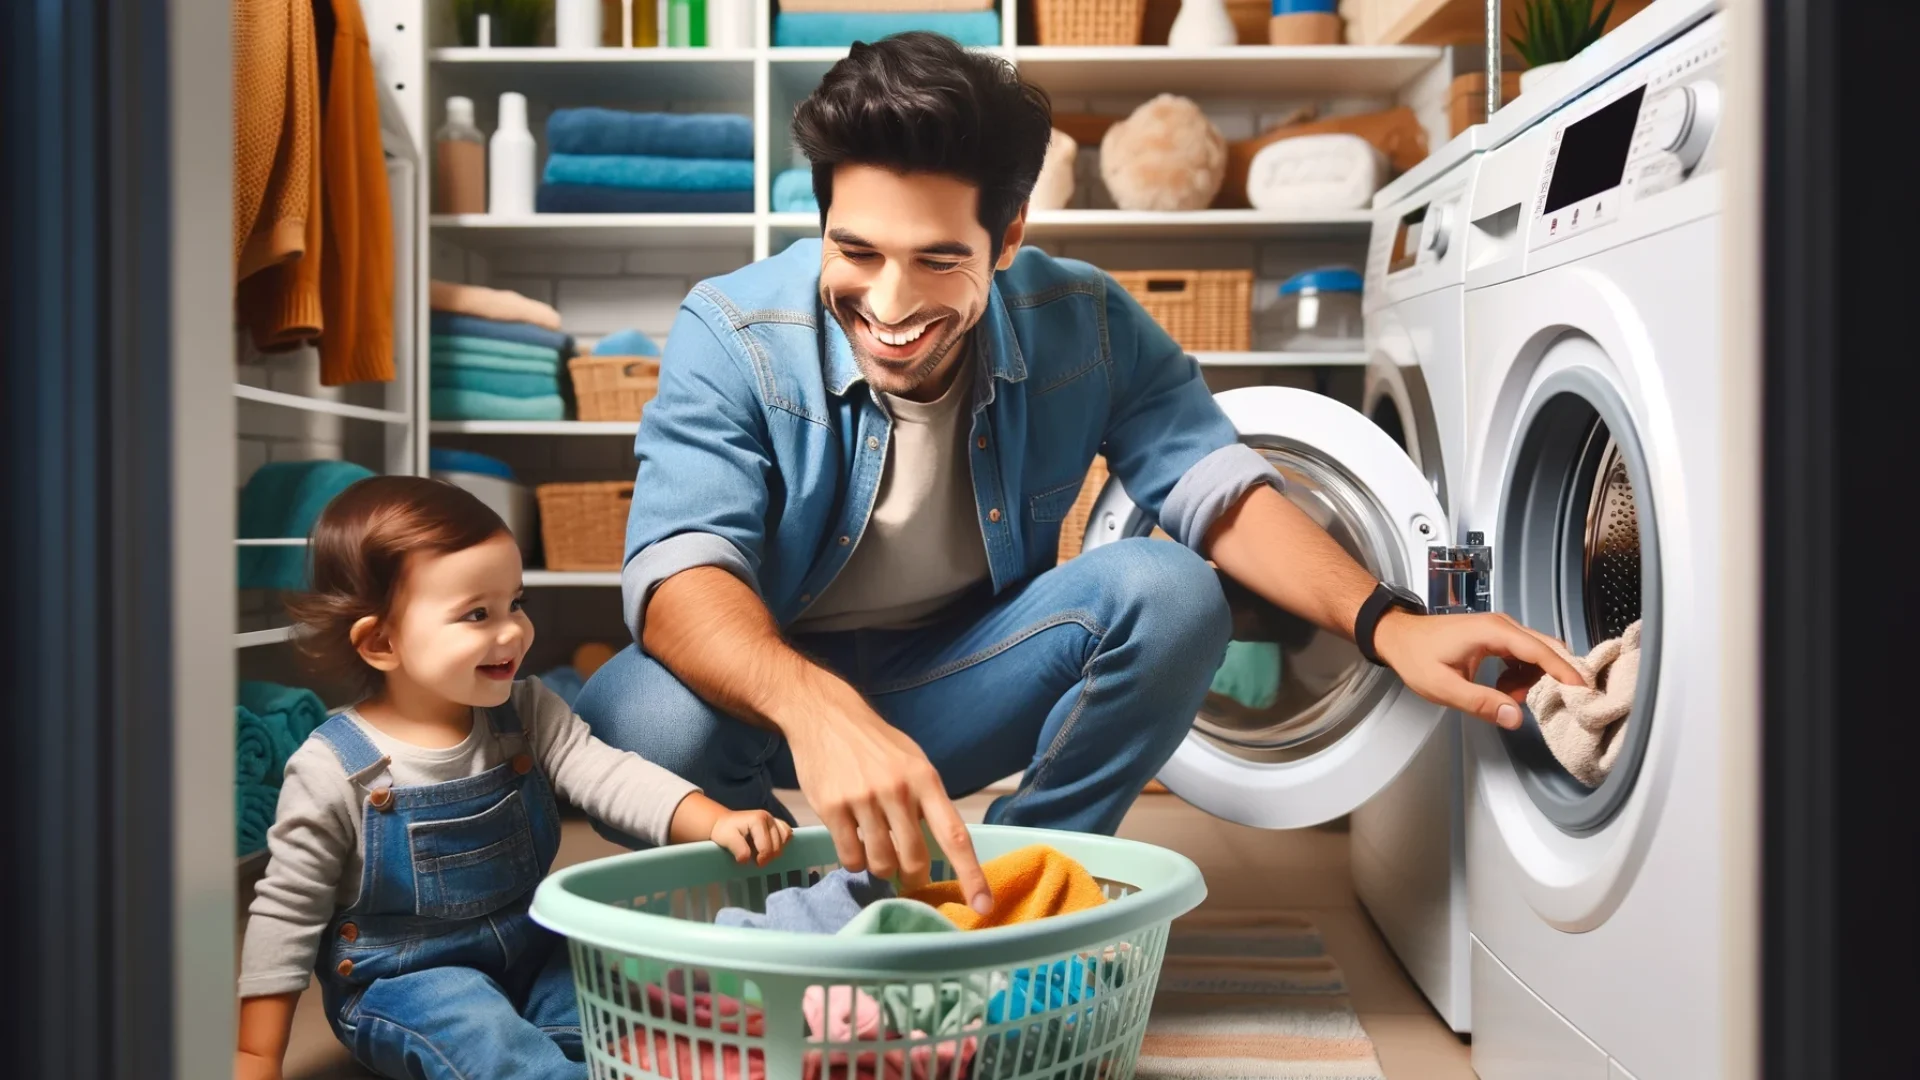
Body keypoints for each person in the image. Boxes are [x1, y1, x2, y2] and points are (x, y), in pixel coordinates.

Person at [573, 32, 1583, 914]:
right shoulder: (734, 328)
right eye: (856, 250)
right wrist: (815, 708)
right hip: (773, 704)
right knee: (637, 717)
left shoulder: (1085, 322)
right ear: (823, 219)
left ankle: (1007, 895)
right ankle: (794, 914)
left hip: (956, 684)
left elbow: (1215, 490)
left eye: (936, 260)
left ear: (1007, 237)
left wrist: (1390, 622)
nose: (887, 304)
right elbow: (676, 577)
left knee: (1173, 589)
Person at [233, 477, 791, 1080]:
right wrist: (256, 1054)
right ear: (381, 642)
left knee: (624, 1013)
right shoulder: (334, 768)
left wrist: (713, 818)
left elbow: (605, 773)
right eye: (476, 614)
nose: (512, 632)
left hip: (531, 944)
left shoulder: (524, 711)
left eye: (515, 603)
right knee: (494, 1046)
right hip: (406, 979)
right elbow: (287, 913)